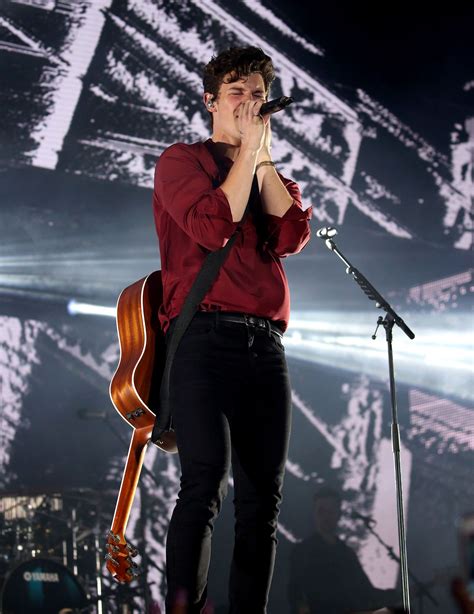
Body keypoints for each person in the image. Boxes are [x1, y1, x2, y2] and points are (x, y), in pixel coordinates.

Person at [152, 46, 312, 613]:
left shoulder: (267, 168)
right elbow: (214, 227)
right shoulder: (181, 161)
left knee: (261, 504)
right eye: (238, 93)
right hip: (203, 339)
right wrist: (246, 153)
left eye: (259, 96)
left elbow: (290, 237)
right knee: (203, 483)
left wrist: (262, 157)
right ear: (211, 101)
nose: (251, 104)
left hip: (264, 345)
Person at [288, 488, 400, 614]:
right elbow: (296, 594)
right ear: (314, 514)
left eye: (331, 511)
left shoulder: (347, 553)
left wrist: (399, 595)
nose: (326, 516)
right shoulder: (303, 551)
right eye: (321, 511)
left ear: (339, 514)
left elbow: (366, 591)